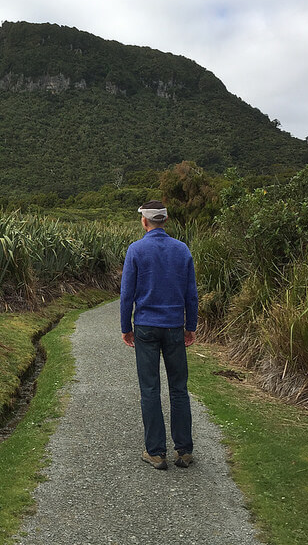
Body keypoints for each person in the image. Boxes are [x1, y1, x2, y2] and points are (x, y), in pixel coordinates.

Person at [120, 200, 198, 470]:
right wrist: (191, 326)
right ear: (165, 220)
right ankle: (184, 451)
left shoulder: (136, 250)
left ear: (145, 221)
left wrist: (125, 327)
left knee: (150, 389)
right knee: (179, 389)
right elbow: (191, 294)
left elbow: (127, 294)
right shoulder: (182, 250)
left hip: (145, 327)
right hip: (174, 326)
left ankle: (156, 452)